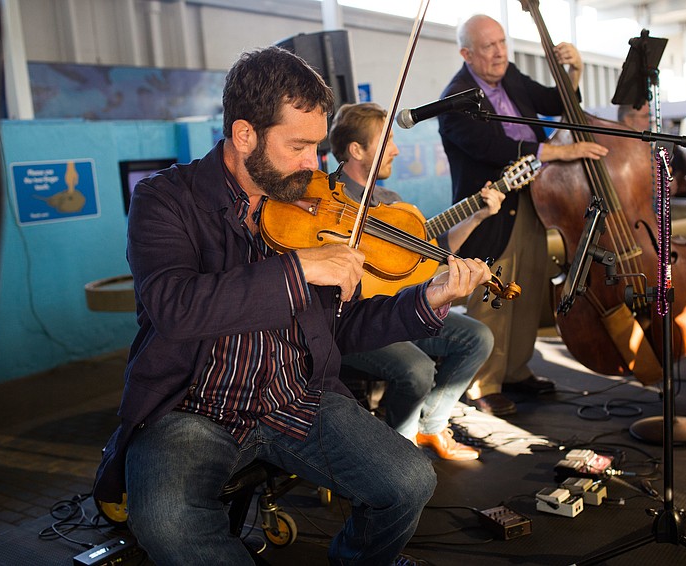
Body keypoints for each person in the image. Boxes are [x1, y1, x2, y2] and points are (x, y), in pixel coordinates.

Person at [91, 46, 493, 566]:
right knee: (167, 523)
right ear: (244, 135)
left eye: (318, 147)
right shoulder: (166, 200)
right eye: (299, 146)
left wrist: (426, 301)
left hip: (295, 397)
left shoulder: (313, 210)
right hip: (192, 409)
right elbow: (176, 306)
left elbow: (343, 327)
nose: (313, 165)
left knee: (410, 482)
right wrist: (298, 270)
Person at [438, 14, 608, 418]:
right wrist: (558, 151)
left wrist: (575, 70)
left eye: (502, 43)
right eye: (488, 46)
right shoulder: (455, 98)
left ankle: (515, 370)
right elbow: (495, 148)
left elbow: (553, 102)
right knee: (491, 297)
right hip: (488, 212)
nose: (499, 53)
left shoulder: (510, 75)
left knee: (526, 285)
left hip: (532, 199)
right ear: (466, 53)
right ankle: (484, 383)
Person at [329, 102, 505, 460]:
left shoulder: (391, 203)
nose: (396, 149)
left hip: (403, 306)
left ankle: (432, 427)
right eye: (387, 140)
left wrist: (477, 217)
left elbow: (431, 253)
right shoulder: (330, 199)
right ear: (357, 150)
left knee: (478, 337)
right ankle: (398, 454)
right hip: (356, 320)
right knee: (417, 370)